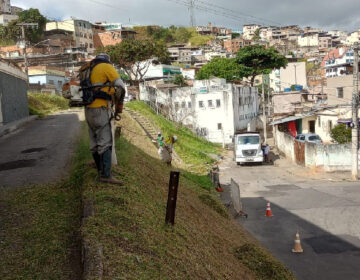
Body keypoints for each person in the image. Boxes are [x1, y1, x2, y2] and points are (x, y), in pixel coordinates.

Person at [85, 53, 125, 185]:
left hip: (88, 109)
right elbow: (121, 86)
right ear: (108, 60)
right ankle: (106, 175)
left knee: (94, 141)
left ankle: (100, 169)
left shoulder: (88, 69)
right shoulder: (106, 67)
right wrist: (119, 107)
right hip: (100, 109)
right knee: (106, 141)